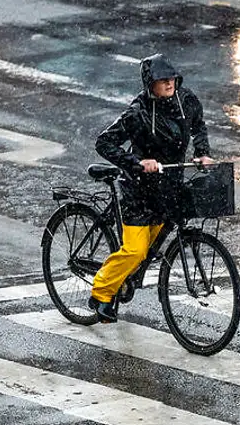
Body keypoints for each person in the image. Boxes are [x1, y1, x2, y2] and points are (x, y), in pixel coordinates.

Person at [88, 54, 213, 323]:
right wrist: (137, 163)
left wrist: (202, 152)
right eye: (162, 79)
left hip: (168, 186)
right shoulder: (138, 112)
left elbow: (198, 126)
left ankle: (127, 276)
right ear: (150, 84)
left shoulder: (186, 101)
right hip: (138, 191)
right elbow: (104, 143)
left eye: (171, 78)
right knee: (136, 250)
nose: (169, 83)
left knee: (150, 247)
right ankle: (102, 292)